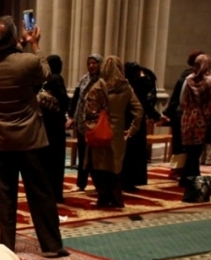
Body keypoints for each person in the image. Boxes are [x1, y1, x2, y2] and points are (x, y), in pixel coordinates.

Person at [0, 15, 68, 257]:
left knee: (5, 195)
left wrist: (17, 44)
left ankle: (7, 244)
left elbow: (2, 61)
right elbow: (47, 73)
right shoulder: (29, 62)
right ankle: (51, 245)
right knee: (40, 193)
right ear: (12, 39)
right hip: (29, 138)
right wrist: (35, 45)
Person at [83, 56, 143, 208]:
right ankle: (116, 199)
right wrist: (131, 130)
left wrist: (88, 129)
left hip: (100, 131)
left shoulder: (98, 86)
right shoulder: (126, 87)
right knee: (114, 168)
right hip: (116, 134)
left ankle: (103, 198)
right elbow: (138, 110)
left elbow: (88, 112)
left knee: (98, 167)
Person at [179, 54, 211, 185]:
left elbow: (181, 100)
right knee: (196, 150)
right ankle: (193, 178)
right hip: (203, 118)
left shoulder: (189, 79)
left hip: (188, 117)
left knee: (190, 150)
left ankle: (186, 178)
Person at [121, 63, 163, 191]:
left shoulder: (124, 86)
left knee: (128, 153)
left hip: (125, 122)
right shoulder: (138, 86)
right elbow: (144, 104)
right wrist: (157, 116)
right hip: (135, 124)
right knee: (133, 153)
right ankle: (129, 182)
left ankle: (125, 181)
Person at [165, 50, 204, 178]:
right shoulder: (187, 78)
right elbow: (179, 99)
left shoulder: (193, 78)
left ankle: (185, 170)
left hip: (186, 115)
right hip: (186, 116)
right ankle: (179, 169)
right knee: (182, 144)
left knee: (185, 145)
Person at [67, 54, 103, 191]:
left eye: (94, 63)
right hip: (83, 123)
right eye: (89, 63)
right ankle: (81, 183)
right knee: (83, 154)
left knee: (96, 156)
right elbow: (76, 99)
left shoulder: (103, 80)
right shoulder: (83, 79)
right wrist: (72, 117)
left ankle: (100, 184)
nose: (91, 66)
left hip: (97, 123)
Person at [39, 55, 69, 202]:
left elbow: (63, 102)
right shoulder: (53, 79)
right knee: (54, 161)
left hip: (51, 125)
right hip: (54, 125)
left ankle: (53, 193)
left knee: (51, 160)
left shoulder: (54, 79)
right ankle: (54, 193)